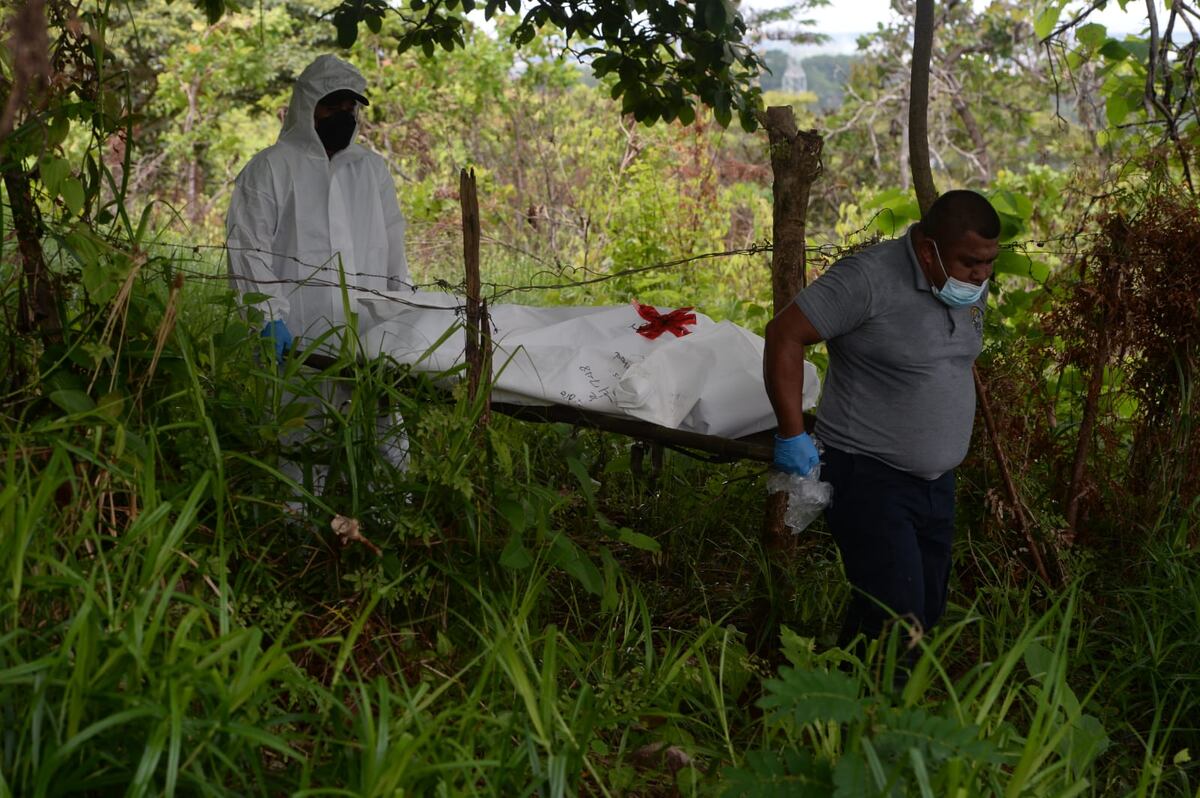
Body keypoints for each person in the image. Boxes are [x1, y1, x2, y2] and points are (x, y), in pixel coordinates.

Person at [763, 190, 1000, 650]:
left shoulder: (968, 282)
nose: (983, 274)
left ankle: (836, 693)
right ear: (928, 248)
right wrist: (792, 434)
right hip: (868, 476)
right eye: (971, 261)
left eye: (990, 262)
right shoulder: (866, 279)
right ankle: (881, 715)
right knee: (901, 620)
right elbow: (784, 334)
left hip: (936, 483)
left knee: (921, 607)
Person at [226, 54, 410, 495]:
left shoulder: (371, 170)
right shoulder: (271, 167)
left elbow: (393, 245)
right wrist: (267, 317)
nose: (343, 115)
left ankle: (388, 516)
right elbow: (248, 247)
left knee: (381, 431)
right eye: (332, 104)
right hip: (297, 334)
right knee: (298, 435)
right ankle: (296, 532)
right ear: (307, 105)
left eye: (351, 106)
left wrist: (402, 313)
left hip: (369, 330)